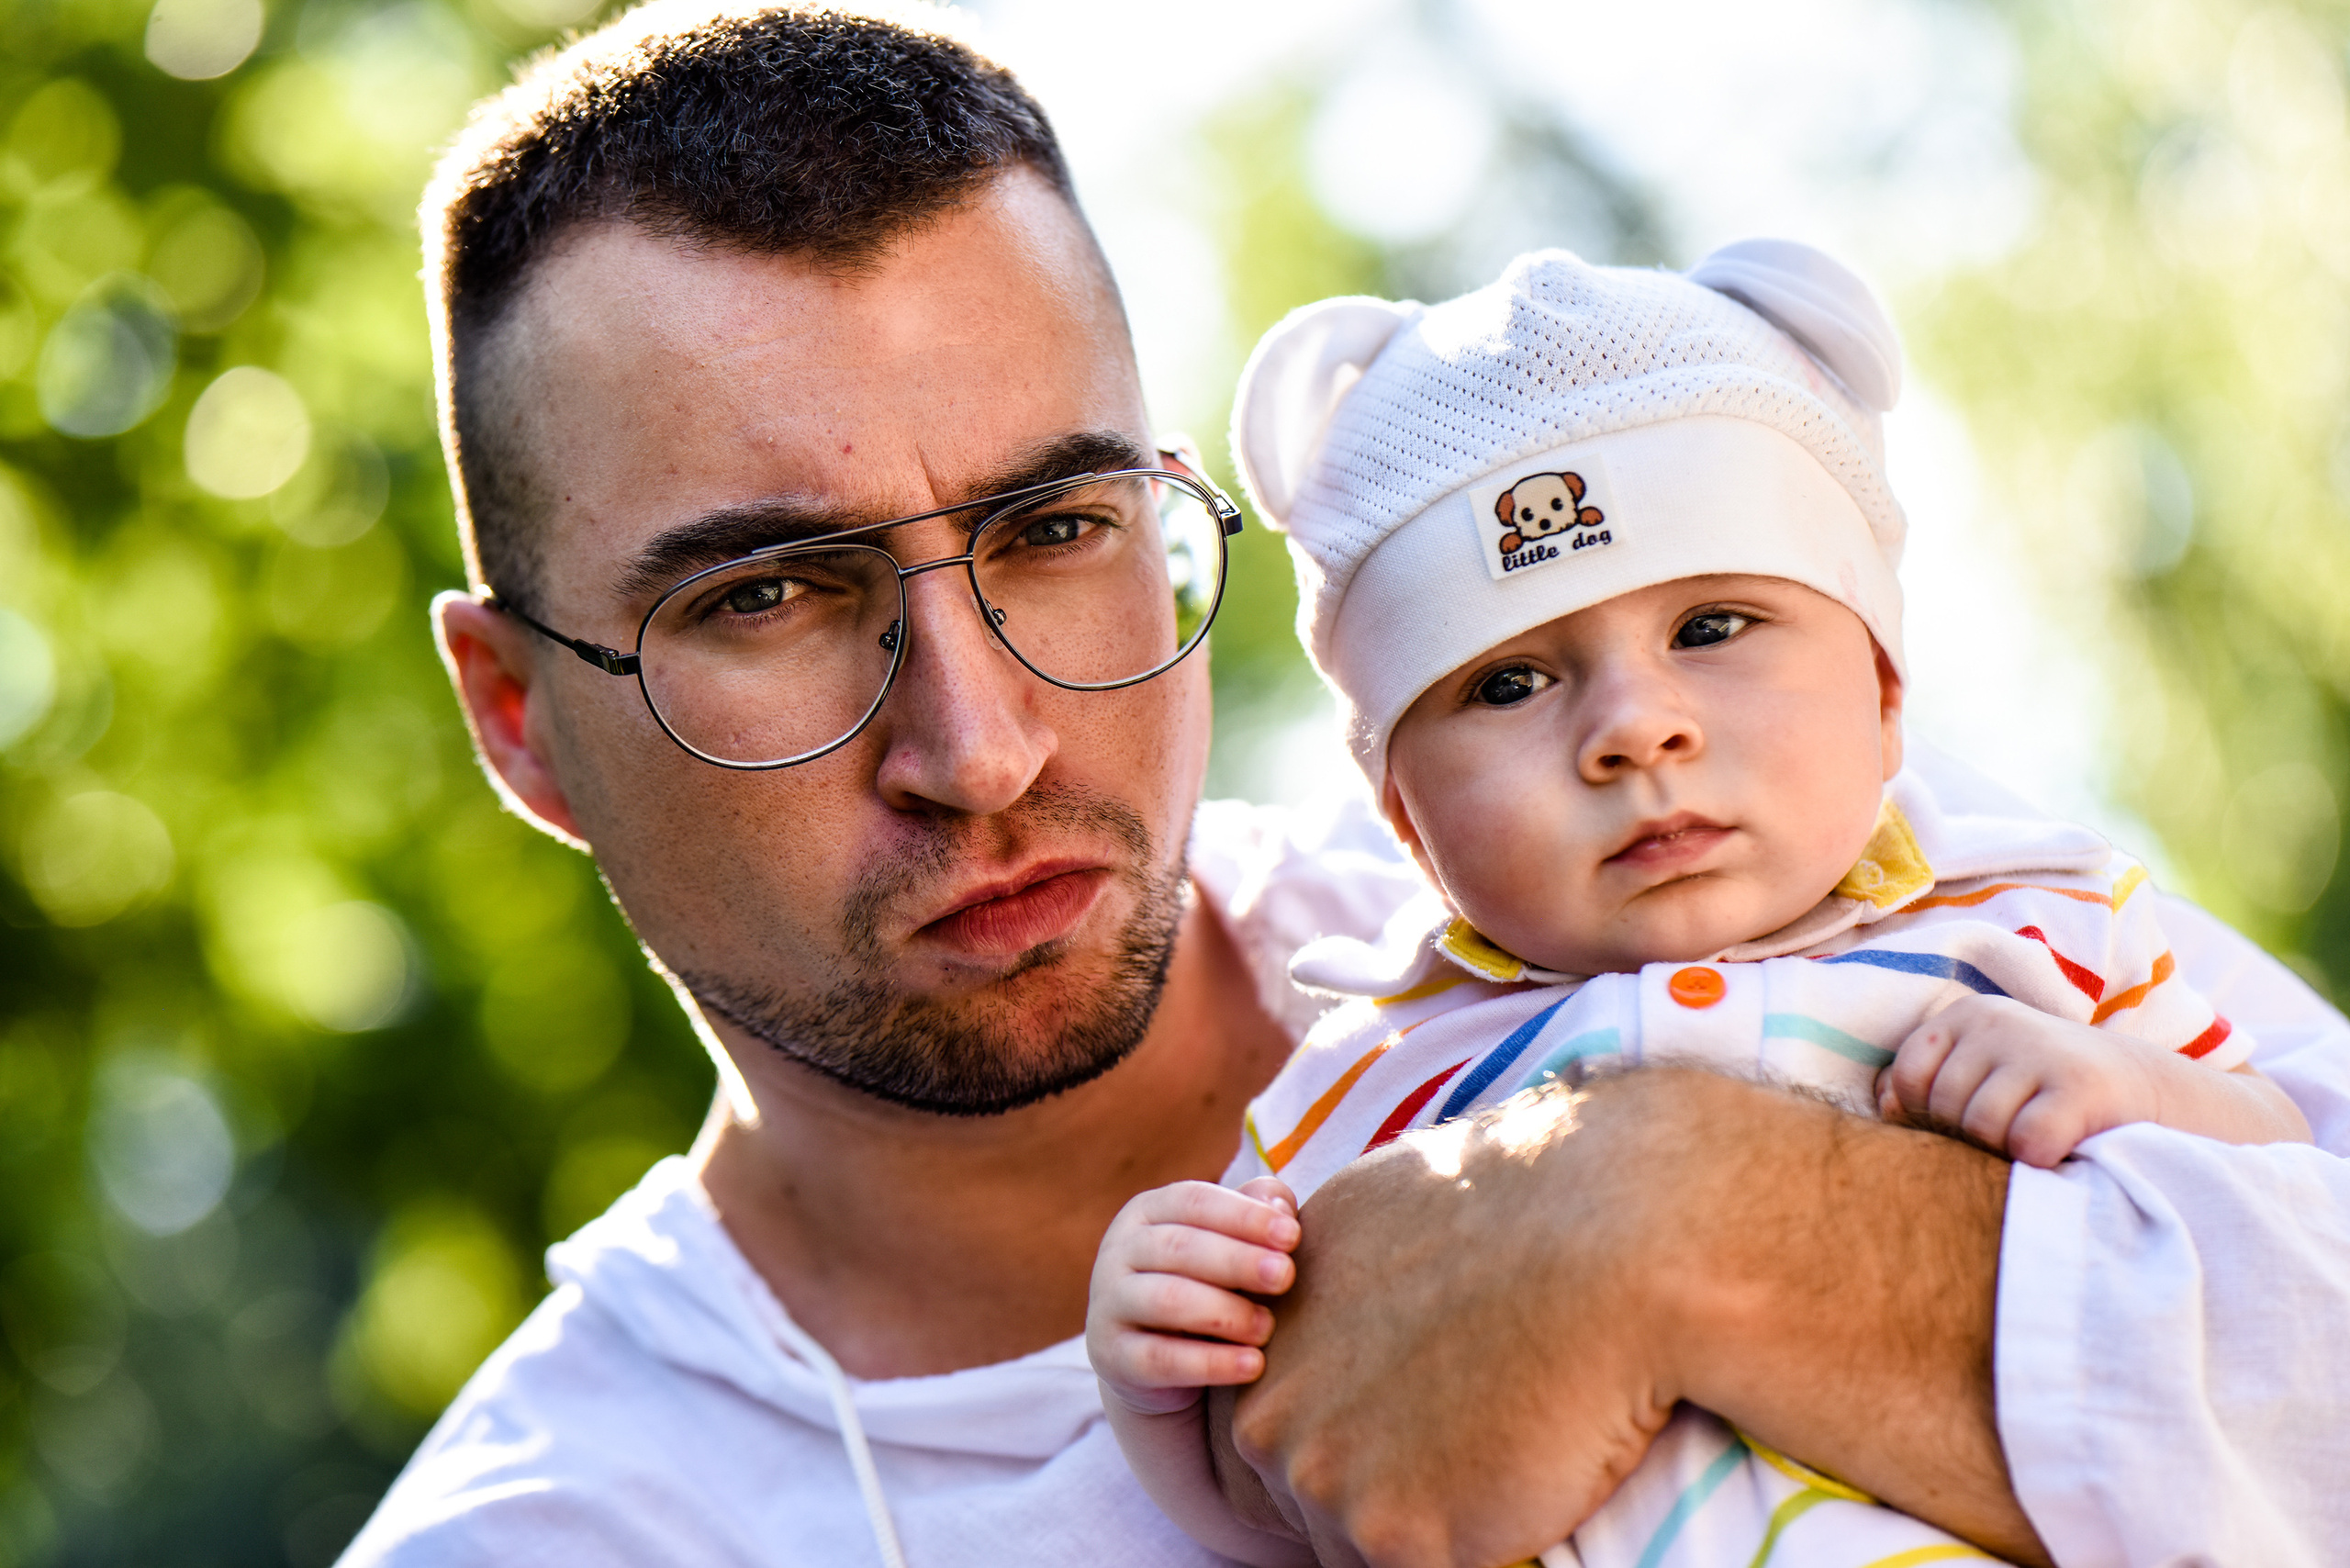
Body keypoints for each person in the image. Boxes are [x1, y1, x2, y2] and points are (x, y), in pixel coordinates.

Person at [337, 4, 2350, 1566]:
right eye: (768, 591)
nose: (982, 743)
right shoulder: (555, 1525)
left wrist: (1663, 1213)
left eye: (1053, 527)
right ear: (518, 715)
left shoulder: (1775, 861)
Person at [1083, 244, 2310, 1568]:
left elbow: (2278, 1165)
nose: (1635, 727)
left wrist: (2123, 1085)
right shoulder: (1362, 1074)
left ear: (1888, 694)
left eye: (1715, 626)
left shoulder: (2046, 919)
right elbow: (1294, 1481)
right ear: (1405, 820)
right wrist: (1158, 1371)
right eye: (1507, 684)